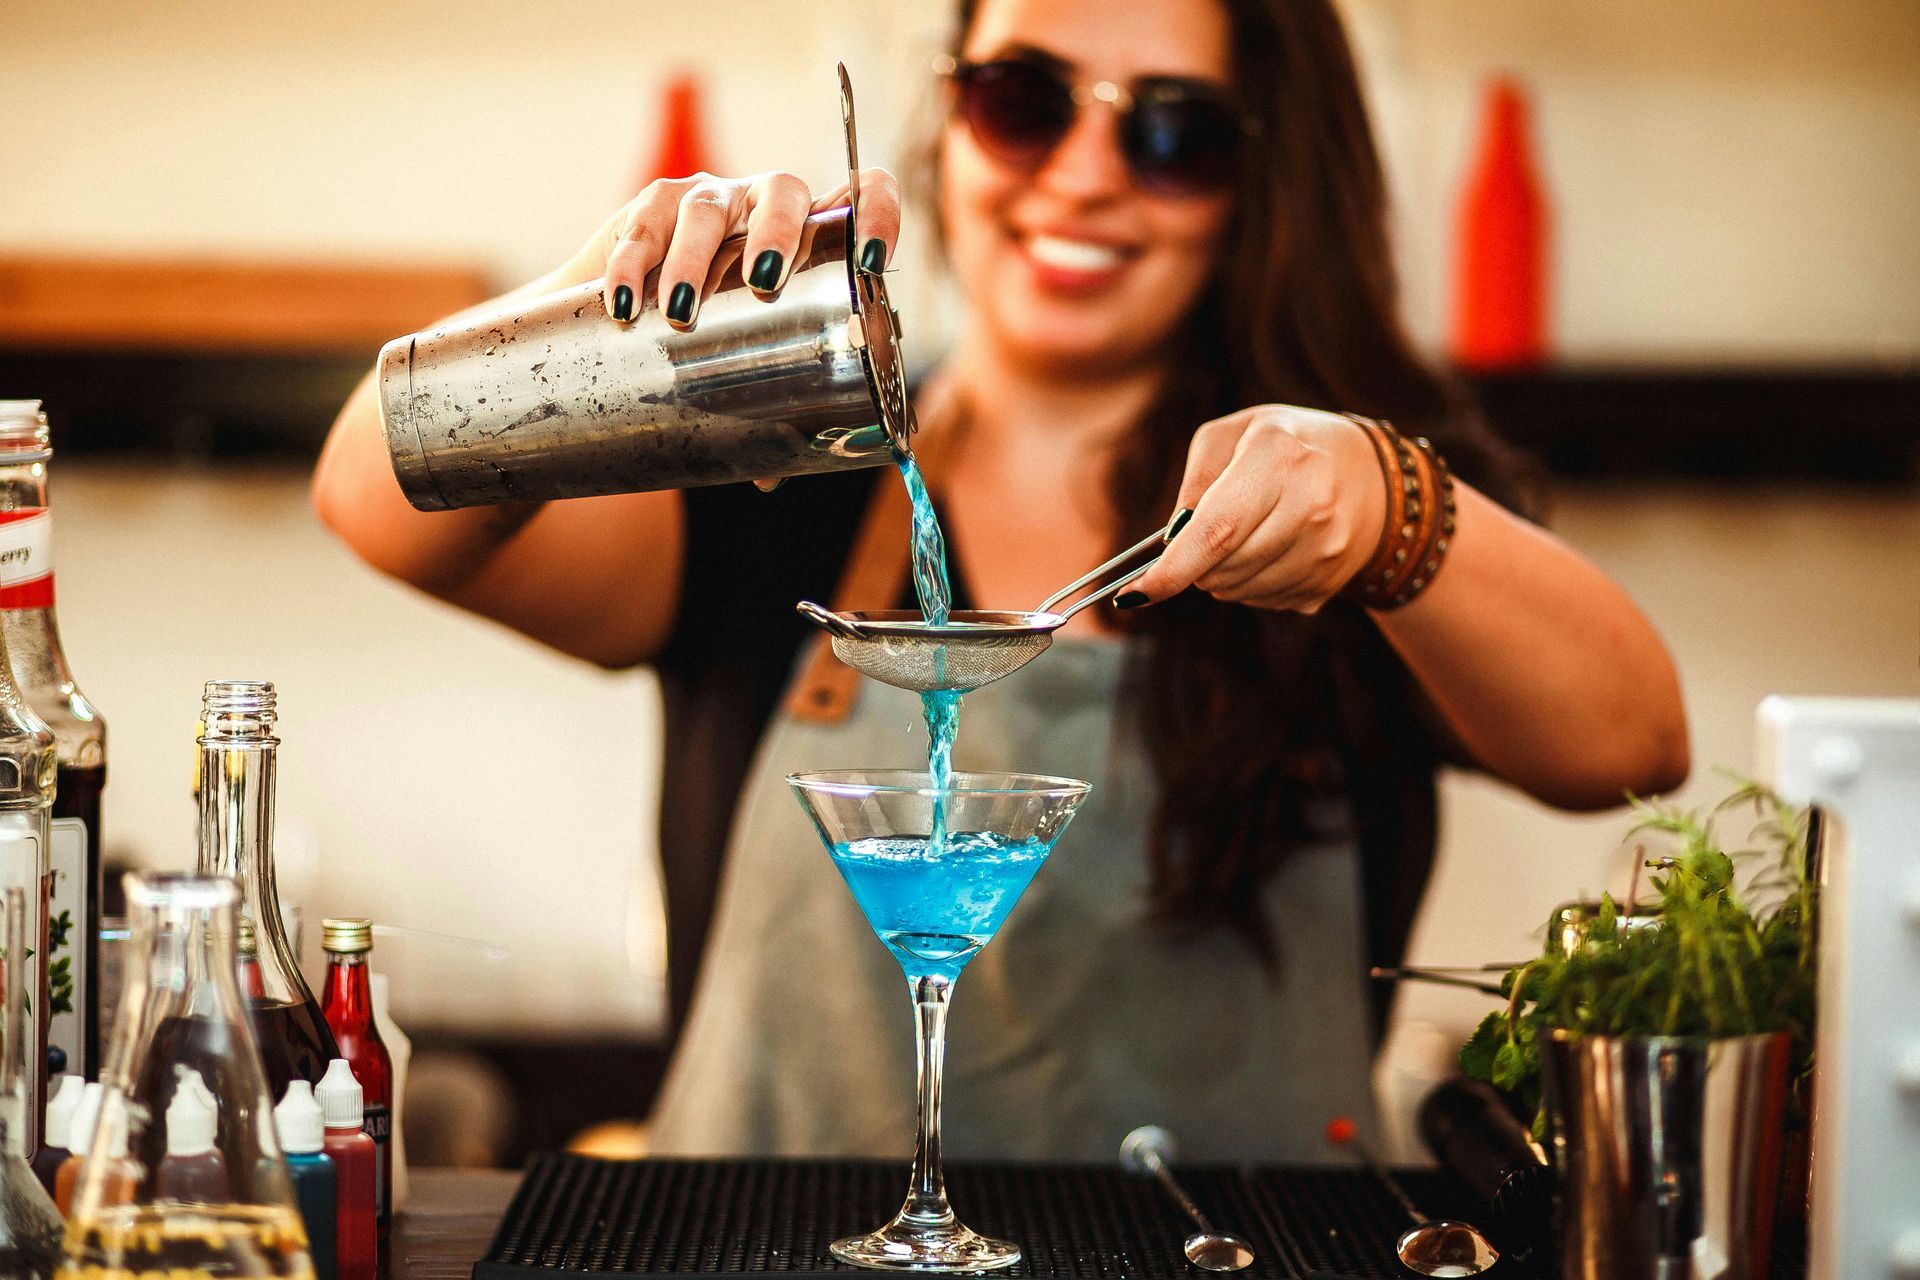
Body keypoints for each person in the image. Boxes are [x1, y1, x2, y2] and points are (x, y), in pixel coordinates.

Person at [313, 0, 1688, 1160]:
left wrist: (1396, 505)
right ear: (949, 129)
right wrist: (606, 315)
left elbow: (1632, 744)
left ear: (1264, 180)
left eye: (1171, 133)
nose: (1086, 177)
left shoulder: (1338, 515)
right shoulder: (776, 476)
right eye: (1024, 100)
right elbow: (375, 502)